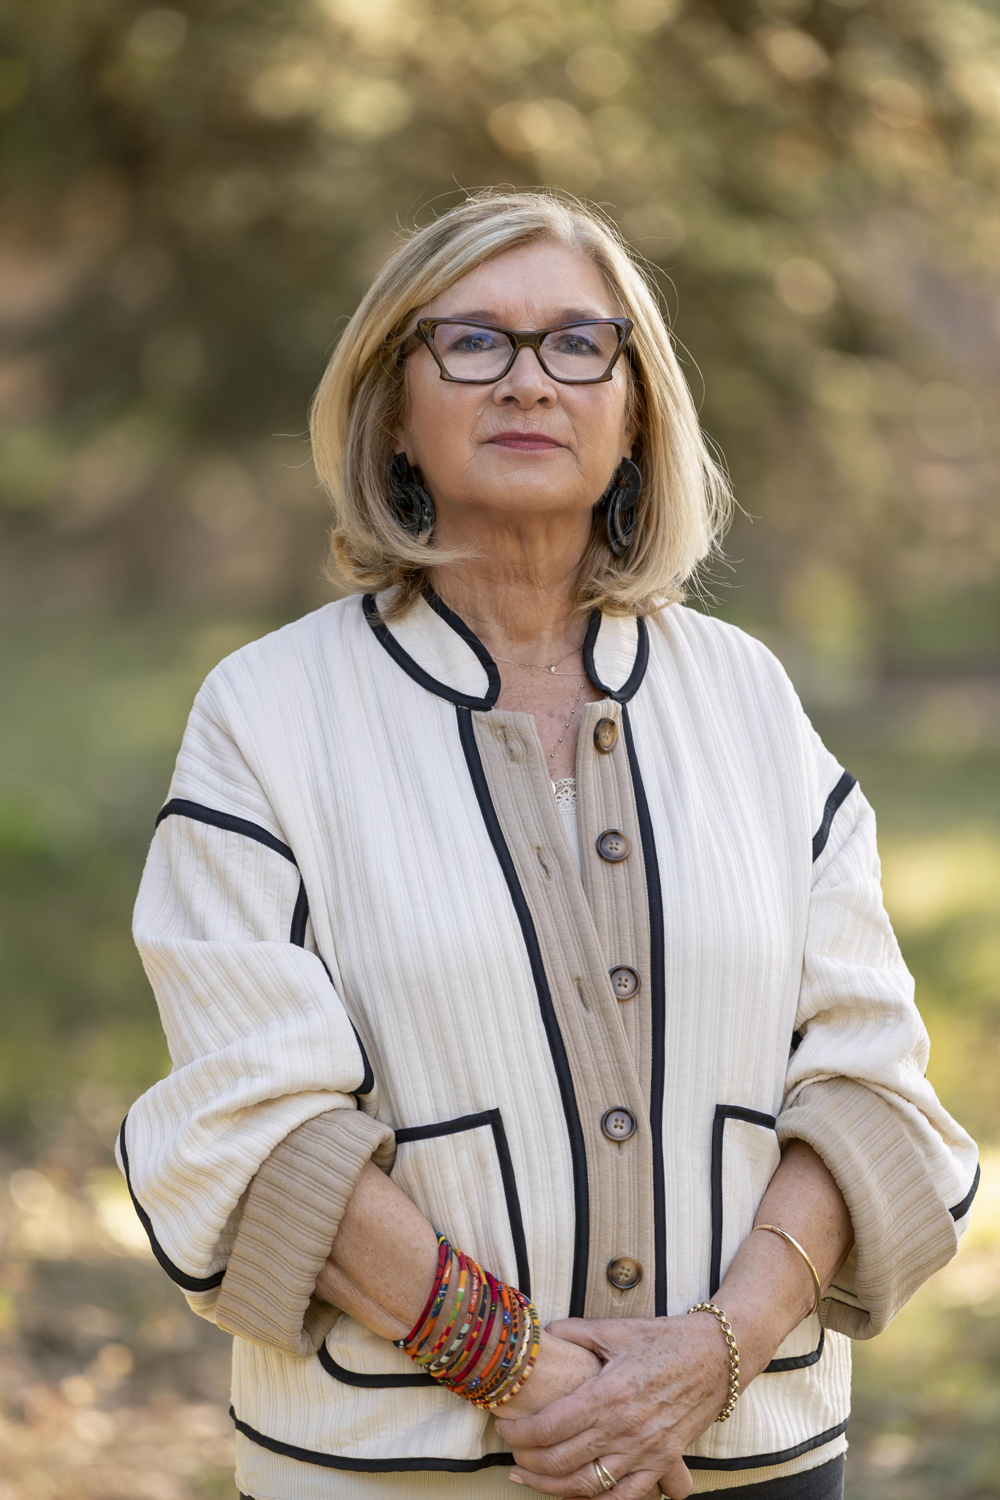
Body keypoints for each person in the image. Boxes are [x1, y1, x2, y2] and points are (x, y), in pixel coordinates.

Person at [118, 191, 978, 1500]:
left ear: (636, 413)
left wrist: (711, 1353)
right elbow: (257, 1125)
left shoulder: (748, 698)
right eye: (472, 342)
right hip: (397, 1473)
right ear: (392, 409)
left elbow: (863, 1081)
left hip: (750, 1460)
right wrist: (534, 1382)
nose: (531, 380)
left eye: (581, 344)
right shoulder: (267, 715)